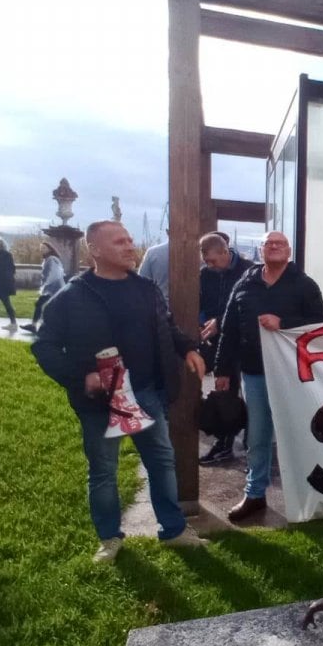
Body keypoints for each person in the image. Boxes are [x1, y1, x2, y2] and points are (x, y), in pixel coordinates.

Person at [31, 220, 208, 562]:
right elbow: (45, 346)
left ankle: (173, 531)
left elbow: (167, 326)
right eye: (119, 241)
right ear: (94, 250)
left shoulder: (145, 289)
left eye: (130, 240)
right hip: (100, 402)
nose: (130, 246)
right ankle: (109, 539)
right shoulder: (71, 296)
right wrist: (80, 377)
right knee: (103, 471)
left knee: (161, 462)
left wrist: (188, 348)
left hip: (147, 394)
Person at [213, 231, 323, 523]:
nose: (274, 247)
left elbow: (321, 327)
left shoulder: (304, 285)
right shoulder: (245, 284)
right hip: (255, 373)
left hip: (295, 375)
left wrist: (284, 323)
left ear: (288, 251)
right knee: (258, 435)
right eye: (269, 244)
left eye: (280, 243)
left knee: (300, 432)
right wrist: (222, 370)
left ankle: (310, 493)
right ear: (261, 250)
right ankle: (254, 494)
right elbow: (229, 329)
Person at [197, 232, 253, 465]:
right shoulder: (205, 274)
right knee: (225, 394)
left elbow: (249, 309)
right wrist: (201, 321)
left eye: (212, 260)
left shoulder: (249, 271)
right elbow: (199, 303)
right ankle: (224, 443)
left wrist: (219, 321)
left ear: (224, 252)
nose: (210, 266)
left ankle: (252, 445)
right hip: (216, 342)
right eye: (206, 262)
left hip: (243, 343)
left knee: (251, 394)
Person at [21, 242, 65, 333]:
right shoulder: (49, 259)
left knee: (42, 305)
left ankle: (37, 326)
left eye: (44, 248)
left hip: (53, 287)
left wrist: (45, 284)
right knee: (46, 305)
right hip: (53, 287)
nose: (42, 250)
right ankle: (36, 326)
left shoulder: (51, 259)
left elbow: (54, 273)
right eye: (41, 248)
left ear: (49, 249)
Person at [138, 232, 170, 302]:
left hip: (160, 306)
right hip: (193, 307)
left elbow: (141, 283)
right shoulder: (197, 253)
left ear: (167, 232)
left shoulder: (153, 252)